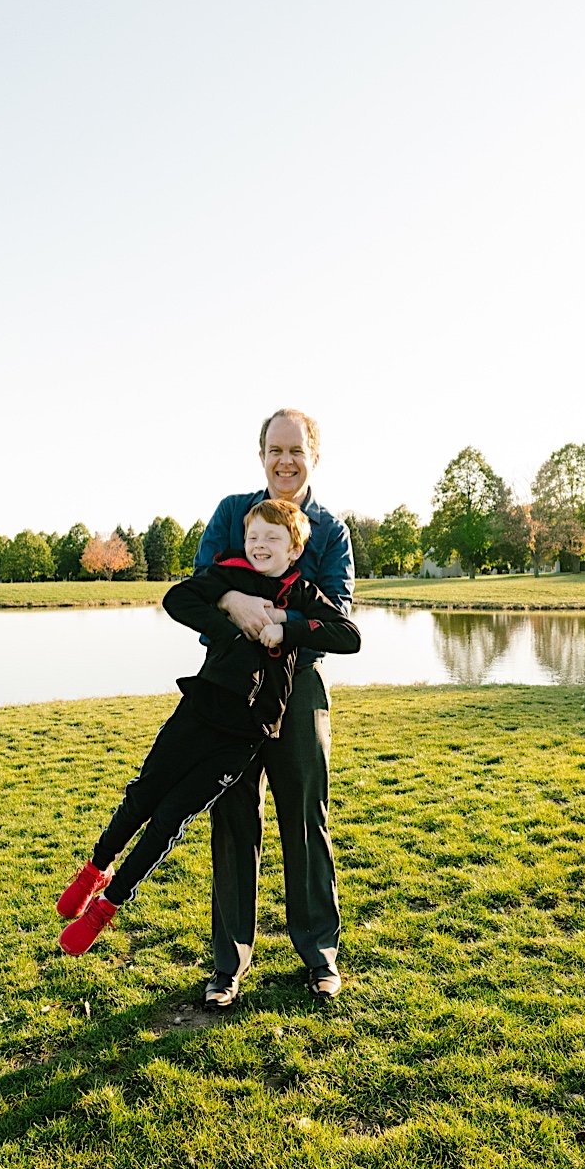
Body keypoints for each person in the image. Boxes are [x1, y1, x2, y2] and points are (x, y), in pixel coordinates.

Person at [54, 498, 360, 956]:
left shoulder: (302, 594)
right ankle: (95, 868)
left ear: (294, 550)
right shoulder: (230, 576)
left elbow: (348, 635)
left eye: (272, 539)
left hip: (243, 736)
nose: (259, 545)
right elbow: (177, 598)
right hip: (200, 713)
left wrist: (288, 628)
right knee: (145, 795)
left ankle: (106, 908)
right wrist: (229, 624)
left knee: (171, 817)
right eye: (253, 537)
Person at [194, 408, 355, 1007]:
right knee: (233, 817)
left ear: (314, 454)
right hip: (231, 686)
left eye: (295, 450)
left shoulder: (331, 529)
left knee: (304, 817)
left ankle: (319, 955)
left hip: (300, 686)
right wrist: (234, 599)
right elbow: (201, 587)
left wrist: (282, 621)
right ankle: (228, 966)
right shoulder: (232, 512)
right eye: (274, 450)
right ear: (260, 455)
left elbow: (337, 611)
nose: (284, 461)